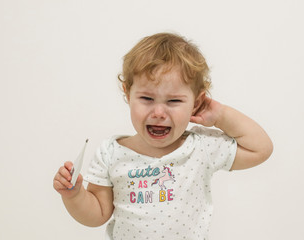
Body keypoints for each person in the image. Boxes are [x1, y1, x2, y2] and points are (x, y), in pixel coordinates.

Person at [53, 32, 273, 239]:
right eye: (147, 99)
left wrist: (221, 115)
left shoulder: (200, 147)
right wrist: (74, 195)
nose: (158, 113)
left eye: (174, 101)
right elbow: (97, 214)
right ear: (128, 94)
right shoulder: (112, 153)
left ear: (195, 103)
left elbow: (260, 149)